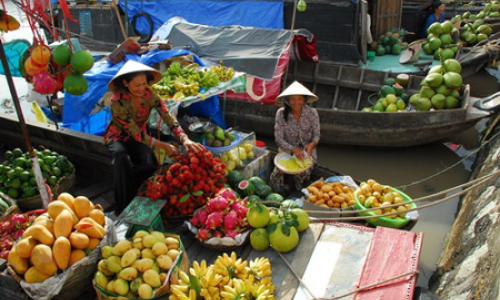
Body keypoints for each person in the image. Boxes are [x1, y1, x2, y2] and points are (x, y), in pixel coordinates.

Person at [103, 60, 204, 214]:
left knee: (148, 165)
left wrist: (184, 138)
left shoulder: (150, 95)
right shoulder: (117, 101)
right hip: (118, 136)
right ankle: (122, 206)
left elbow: (167, 116)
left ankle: (139, 195)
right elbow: (134, 133)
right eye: (137, 85)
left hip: (142, 136)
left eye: (144, 84)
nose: (142, 88)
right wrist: (164, 145)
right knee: (120, 157)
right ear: (125, 83)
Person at [269, 81, 320, 193]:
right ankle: (277, 194)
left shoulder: (312, 113)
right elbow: (278, 138)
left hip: (307, 152)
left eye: (299, 99)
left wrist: (312, 145)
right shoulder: (281, 114)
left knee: (303, 173)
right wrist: (293, 149)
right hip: (286, 151)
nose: (296, 102)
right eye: (292, 99)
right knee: (276, 173)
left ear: (304, 100)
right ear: (287, 100)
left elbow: (316, 135)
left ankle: (298, 193)